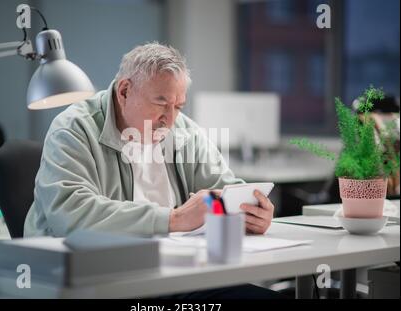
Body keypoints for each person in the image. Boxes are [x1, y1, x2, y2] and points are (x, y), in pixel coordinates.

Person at [24, 42, 280, 298]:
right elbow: (70, 214)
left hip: (175, 277)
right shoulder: (73, 129)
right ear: (124, 91)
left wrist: (251, 212)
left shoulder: (184, 132)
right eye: (161, 103)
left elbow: (224, 190)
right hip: (95, 282)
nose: (169, 119)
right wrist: (174, 219)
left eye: (178, 106)